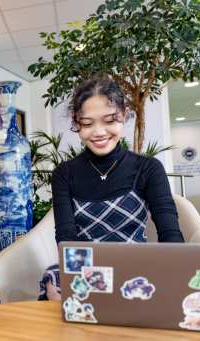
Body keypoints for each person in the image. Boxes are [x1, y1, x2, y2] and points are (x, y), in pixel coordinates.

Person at [38, 77, 184, 301]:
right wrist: (85, 283)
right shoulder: (64, 174)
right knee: (54, 289)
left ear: (123, 115)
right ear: (76, 123)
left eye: (109, 121)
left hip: (137, 266)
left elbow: (170, 233)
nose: (99, 132)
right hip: (85, 269)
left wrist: (173, 274)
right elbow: (66, 237)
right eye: (87, 123)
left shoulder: (148, 168)